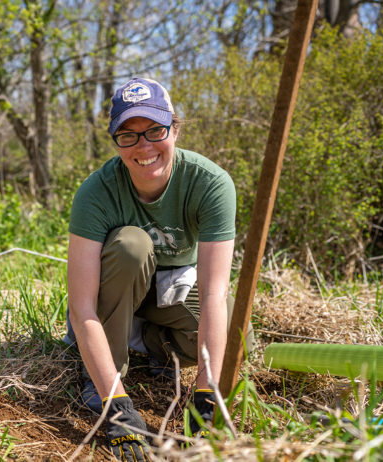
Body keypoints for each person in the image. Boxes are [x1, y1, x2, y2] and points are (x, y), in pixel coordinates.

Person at [64, 77, 253, 460]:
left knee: (237, 335)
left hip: (170, 290)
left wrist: (206, 391)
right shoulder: (96, 191)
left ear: (175, 129)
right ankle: (103, 372)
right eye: (128, 136)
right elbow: (82, 306)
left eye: (155, 130)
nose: (144, 146)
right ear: (115, 141)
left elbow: (215, 292)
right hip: (114, 293)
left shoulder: (211, 183)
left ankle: (153, 347)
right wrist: (115, 405)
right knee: (132, 245)